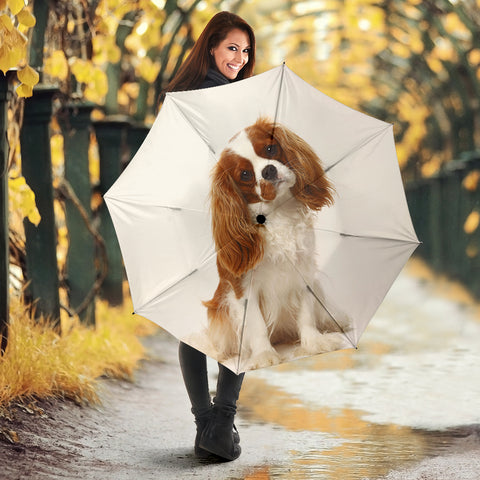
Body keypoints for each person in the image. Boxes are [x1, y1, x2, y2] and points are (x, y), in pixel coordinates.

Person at [162, 11, 256, 462]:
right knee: (237, 314)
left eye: (244, 49)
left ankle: (206, 425)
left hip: (190, 217)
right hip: (228, 220)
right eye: (231, 48)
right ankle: (221, 421)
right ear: (212, 48)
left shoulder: (181, 97)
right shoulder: (228, 102)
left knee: (195, 317)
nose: (239, 57)